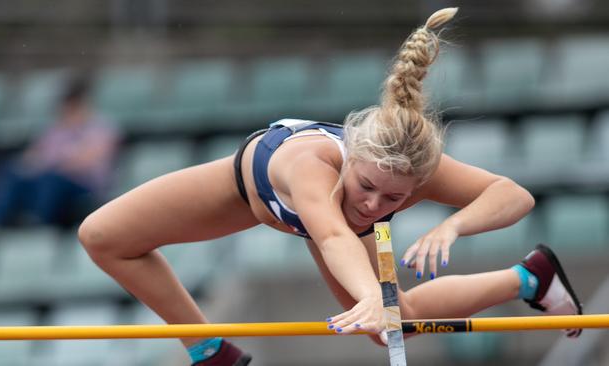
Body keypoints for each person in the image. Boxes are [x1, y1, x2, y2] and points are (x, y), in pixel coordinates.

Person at [78, 8, 582, 366]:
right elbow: (336, 236)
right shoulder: (311, 166)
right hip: (250, 191)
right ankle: (210, 349)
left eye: (394, 200)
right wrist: (367, 297)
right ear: (352, 156)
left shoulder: (418, 169)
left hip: (321, 224)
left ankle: (528, 278)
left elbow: (514, 196)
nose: (373, 204)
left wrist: (453, 226)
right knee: (102, 237)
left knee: (392, 328)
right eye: (367, 185)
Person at [0, 76, 120, 227]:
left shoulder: (101, 127)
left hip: (84, 187)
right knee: (14, 174)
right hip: (50, 179)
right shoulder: (56, 130)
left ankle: (41, 225)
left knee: (50, 180)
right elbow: (32, 157)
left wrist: (51, 163)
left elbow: (86, 160)